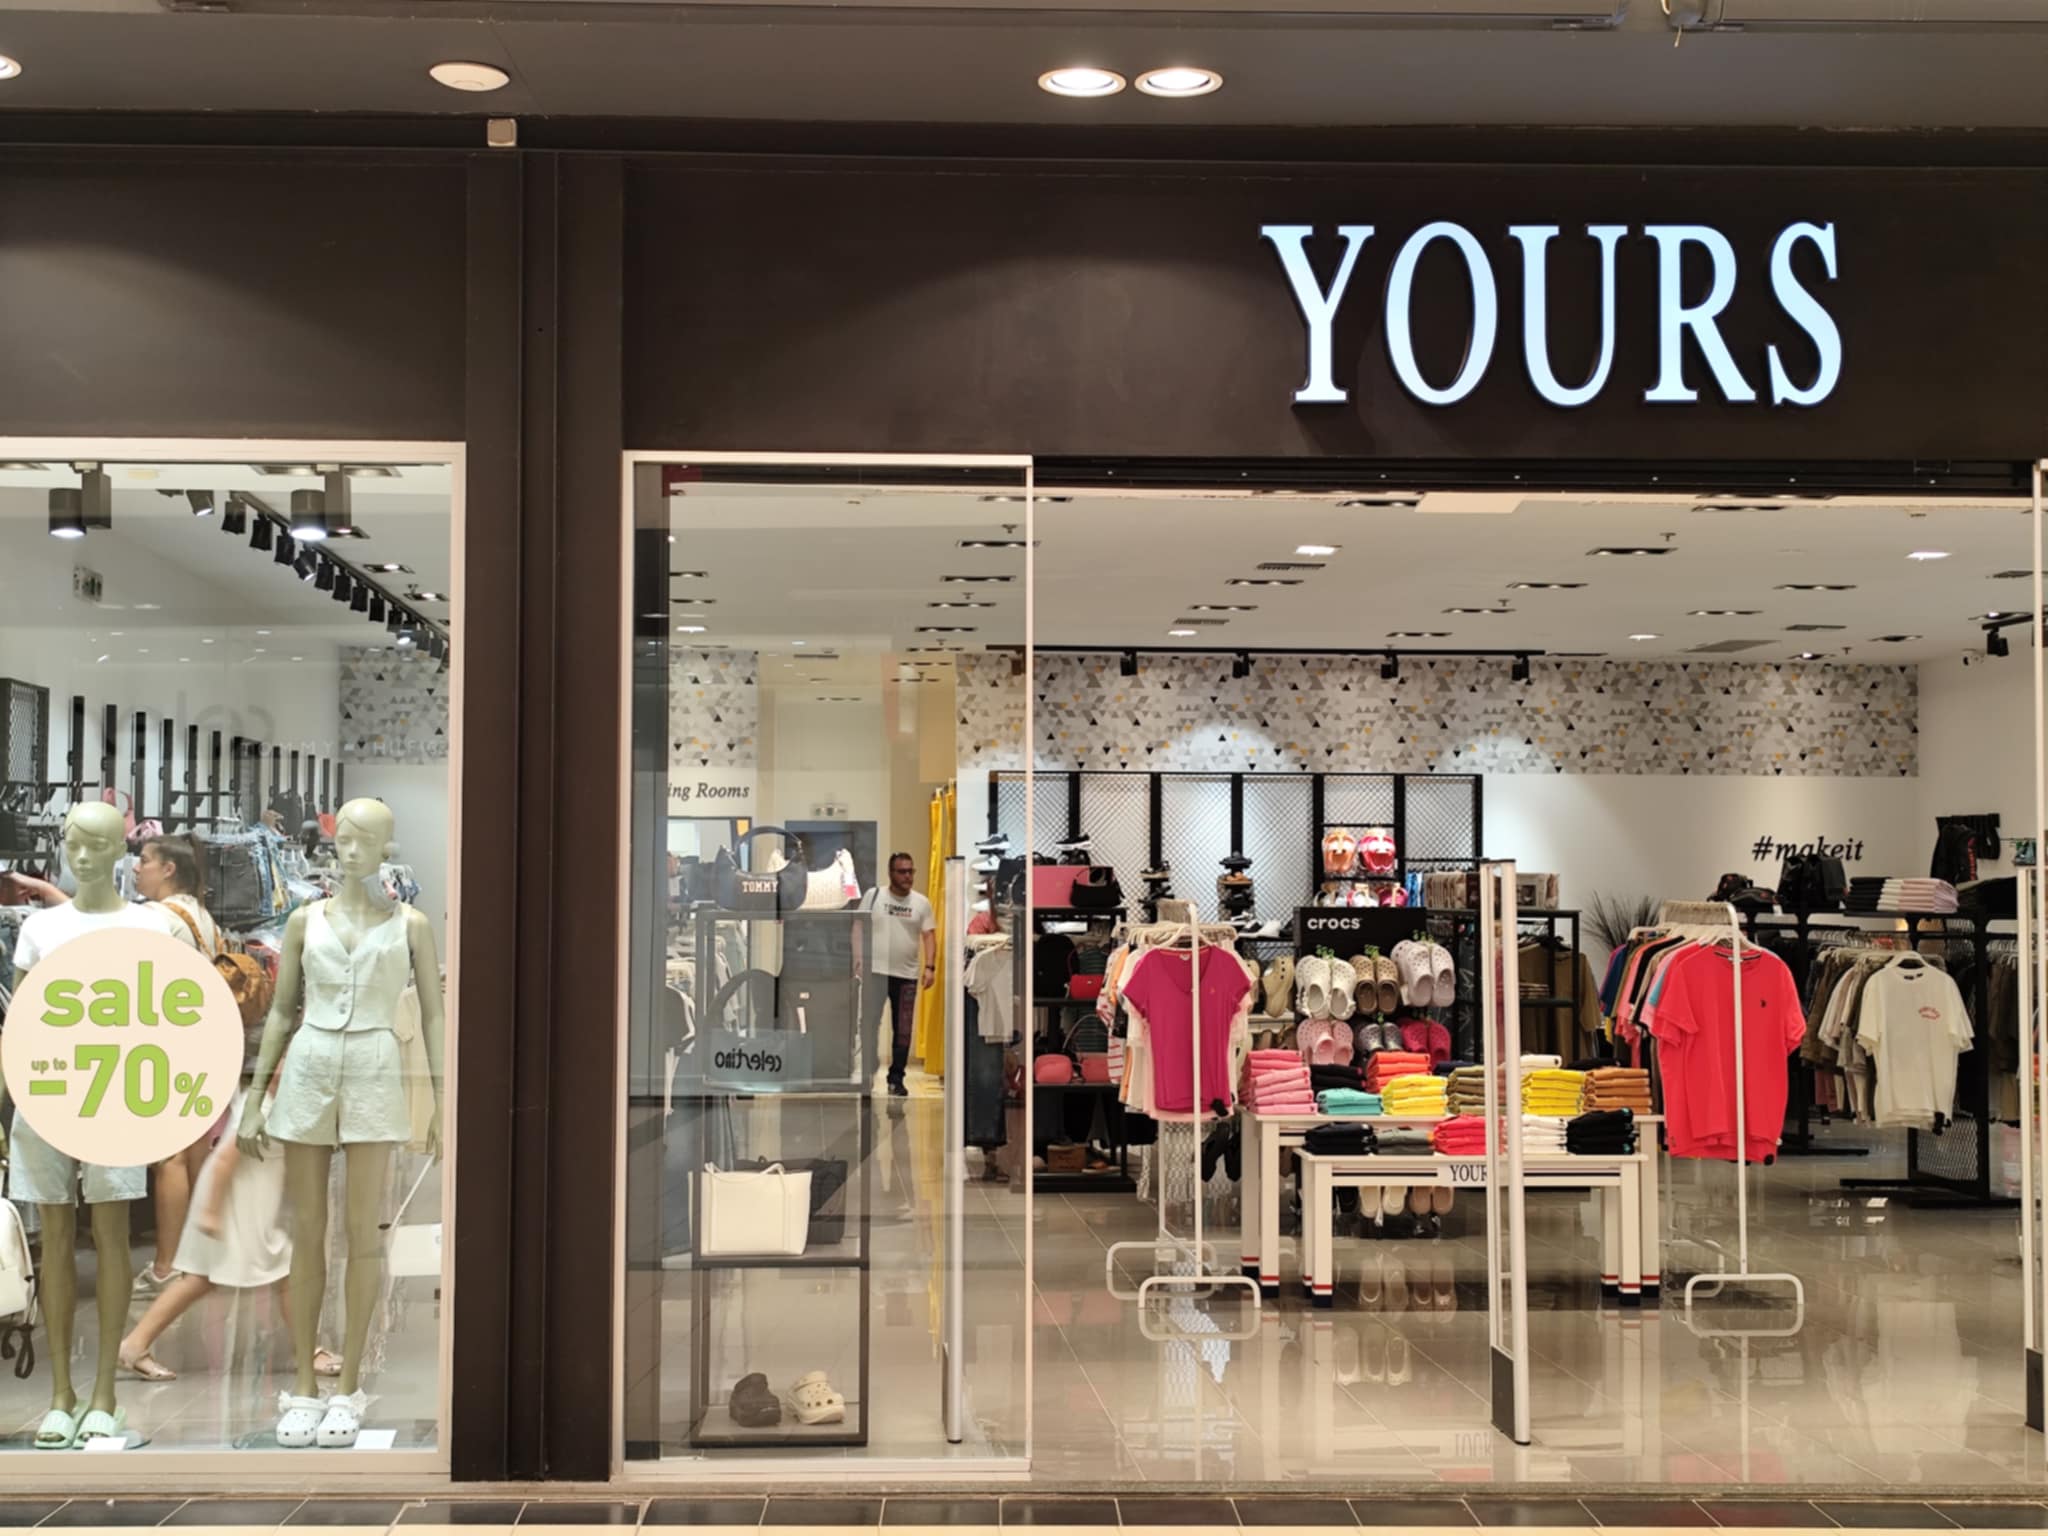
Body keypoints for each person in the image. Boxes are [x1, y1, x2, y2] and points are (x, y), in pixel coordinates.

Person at [131, 834, 222, 1294]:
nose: (136, 867)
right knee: (195, 1152)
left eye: (144, 860)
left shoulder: (156, 917)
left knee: (168, 1157)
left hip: (169, 1044)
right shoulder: (201, 915)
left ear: (168, 869)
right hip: (204, 1042)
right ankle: (196, 1260)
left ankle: (167, 1266)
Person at [858, 852, 936, 1097]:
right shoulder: (874, 896)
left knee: (903, 1029)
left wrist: (930, 967)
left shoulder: (921, 903)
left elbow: (929, 935)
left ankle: (896, 1078)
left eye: (911, 871)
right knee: (869, 1024)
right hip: (875, 972)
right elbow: (858, 925)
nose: (907, 876)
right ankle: (868, 1072)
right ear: (891, 873)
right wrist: (857, 958)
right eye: (902, 871)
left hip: (906, 975)